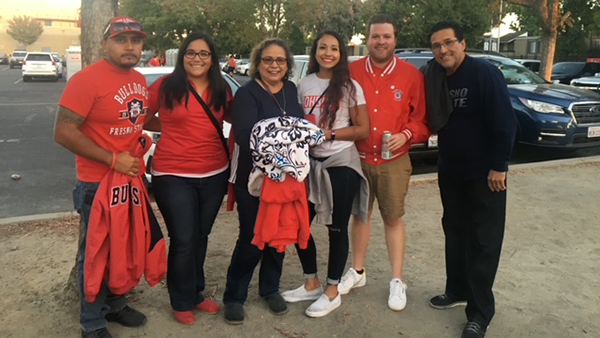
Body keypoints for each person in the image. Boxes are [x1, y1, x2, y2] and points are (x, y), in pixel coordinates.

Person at [53, 16, 150, 338]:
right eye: (121, 40)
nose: (129, 46)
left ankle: (117, 303)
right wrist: (111, 159)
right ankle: (92, 321)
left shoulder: (139, 78)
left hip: (128, 181)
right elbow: (63, 131)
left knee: (123, 247)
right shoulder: (86, 80)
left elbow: (139, 120)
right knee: (96, 253)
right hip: (96, 183)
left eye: (135, 41)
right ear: (104, 43)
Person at [424, 21, 517, 338]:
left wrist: (499, 165)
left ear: (463, 43)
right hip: (451, 171)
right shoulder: (435, 76)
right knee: (455, 232)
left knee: (483, 242)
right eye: (436, 45)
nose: (443, 50)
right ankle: (457, 289)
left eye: (448, 43)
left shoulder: (483, 73)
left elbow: (505, 120)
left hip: (485, 175)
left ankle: (479, 313)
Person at [339, 14, 429, 311]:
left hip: (394, 161)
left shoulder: (411, 75)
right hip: (357, 158)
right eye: (376, 36)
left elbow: (422, 121)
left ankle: (397, 280)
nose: (381, 41)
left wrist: (406, 134)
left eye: (386, 36)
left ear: (395, 39)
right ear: (368, 39)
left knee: (393, 218)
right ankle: (358, 271)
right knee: (360, 216)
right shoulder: (350, 71)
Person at [143, 32, 231, 325]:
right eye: (191, 53)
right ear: (182, 57)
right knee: (183, 239)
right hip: (173, 174)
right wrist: (167, 125)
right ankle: (180, 300)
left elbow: (239, 119)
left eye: (204, 54)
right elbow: (141, 118)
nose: (197, 58)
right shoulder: (166, 86)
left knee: (200, 237)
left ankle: (195, 293)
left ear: (212, 59)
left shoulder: (221, 88)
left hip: (215, 173)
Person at [280, 31, 370, 317]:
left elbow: (362, 129)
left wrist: (329, 133)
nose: (328, 53)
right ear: (315, 51)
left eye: (334, 48)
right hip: (308, 165)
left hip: (341, 162)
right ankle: (311, 282)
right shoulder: (302, 84)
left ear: (341, 53)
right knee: (299, 225)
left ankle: (332, 291)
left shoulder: (350, 86)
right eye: (322, 47)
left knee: (337, 227)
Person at [223, 38, 303, 325]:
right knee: (253, 237)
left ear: (287, 65)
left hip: (286, 180)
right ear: (258, 63)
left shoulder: (291, 90)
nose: (274, 65)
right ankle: (234, 295)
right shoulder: (248, 94)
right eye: (268, 60)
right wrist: (280, 152)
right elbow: (245, 136)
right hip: (254, 179)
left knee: (279, 236)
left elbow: (299, 126)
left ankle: (270, 288)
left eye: (280, 60)